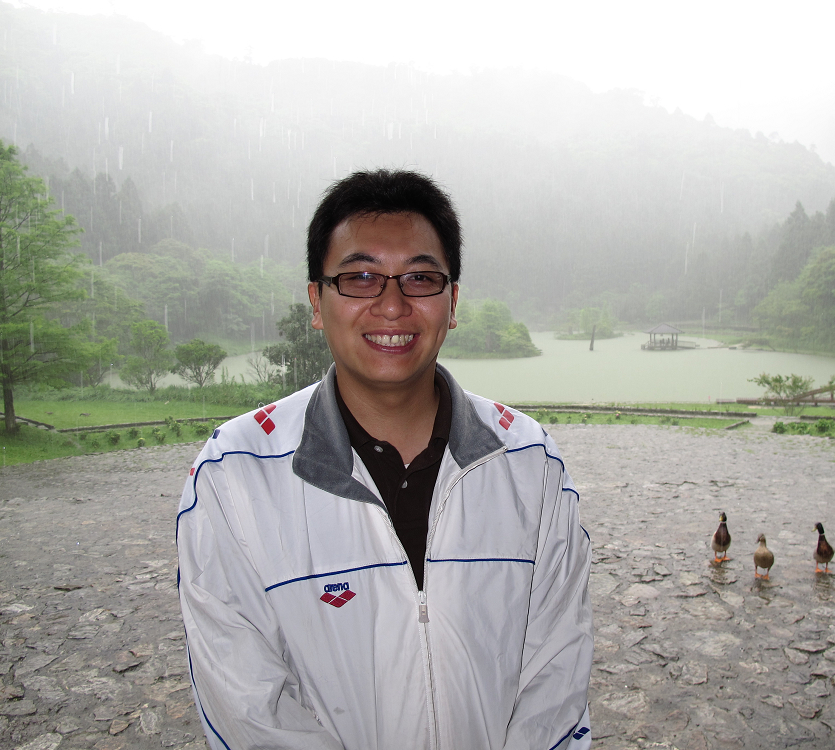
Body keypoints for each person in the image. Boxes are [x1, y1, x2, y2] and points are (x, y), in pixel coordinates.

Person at [176, 169, 594, 750]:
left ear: (452, 303)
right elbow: (247, 706)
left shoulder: (529, 464)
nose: (392, 305)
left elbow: (557, 674)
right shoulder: (236, 475)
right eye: (360, 277)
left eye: (420, 278)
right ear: (316, 302)